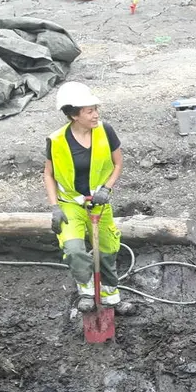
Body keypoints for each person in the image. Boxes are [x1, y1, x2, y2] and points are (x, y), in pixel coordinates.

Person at [44, 82, 133, 315]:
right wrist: (54, 207)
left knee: (107, 250)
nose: (96, 114)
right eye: (89, 111)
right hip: (71, 204)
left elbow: (118, 163)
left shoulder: (106, 131)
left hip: (99, 202)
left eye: (96, 109)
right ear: (74, 115)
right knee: (73, 249)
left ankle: (111, 295)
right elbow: (48, 174)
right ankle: (85, 290)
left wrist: (107, 189)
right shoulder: (56, 140)